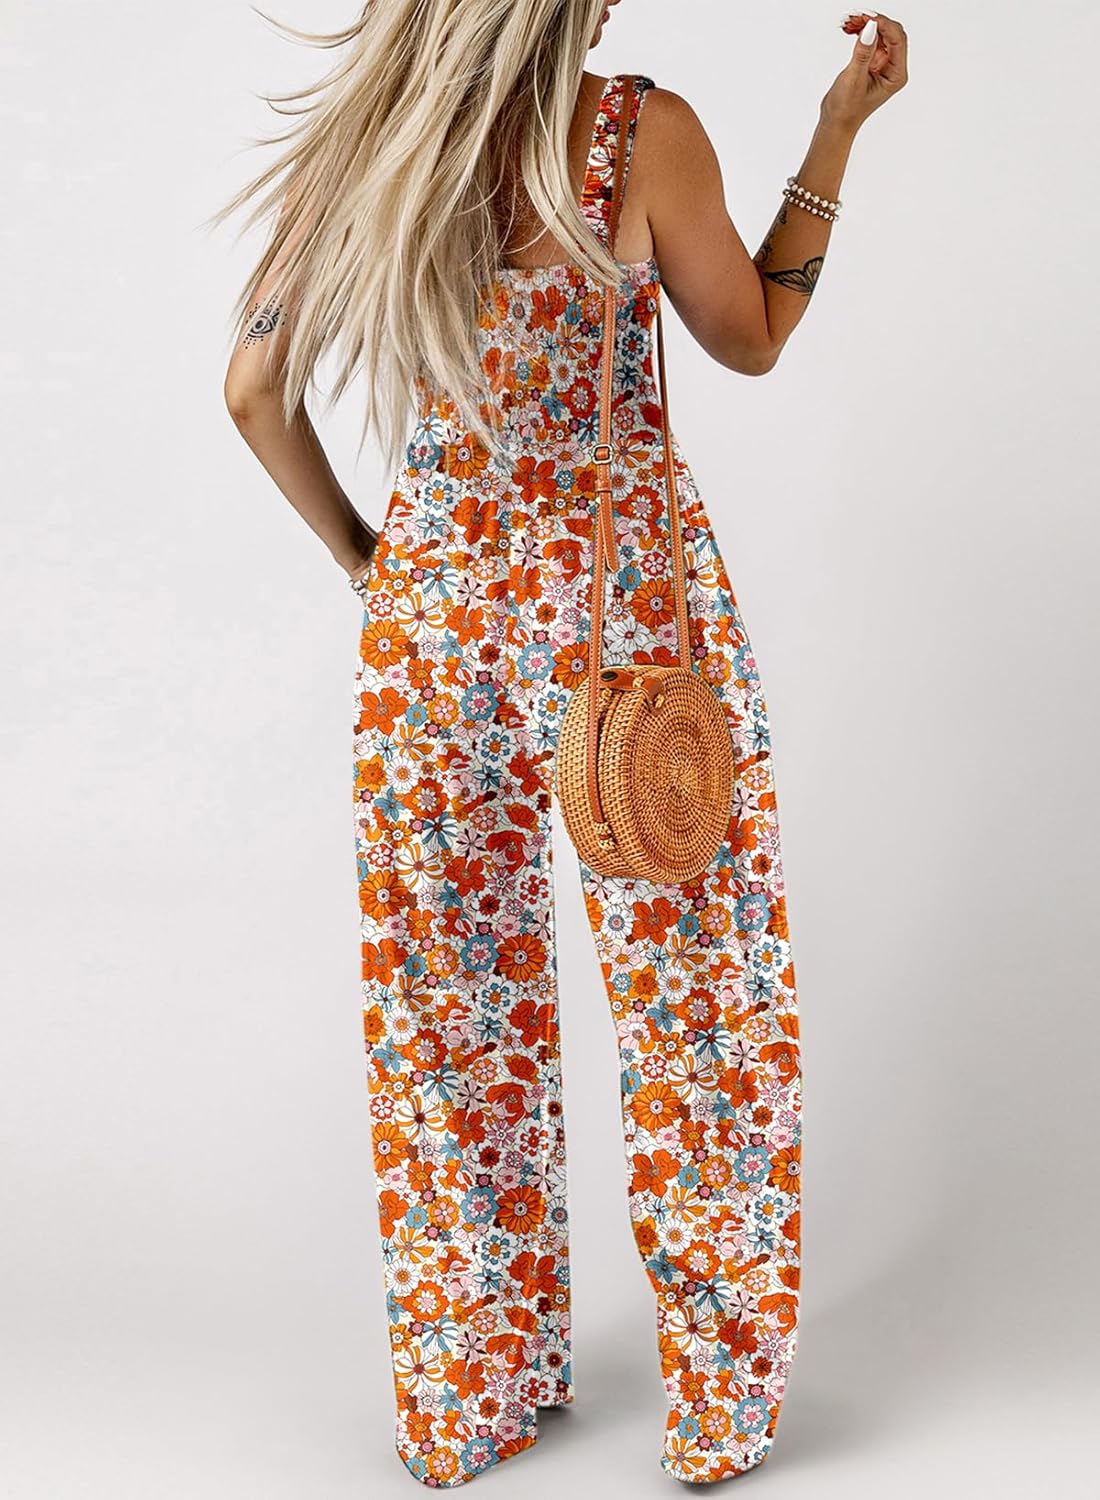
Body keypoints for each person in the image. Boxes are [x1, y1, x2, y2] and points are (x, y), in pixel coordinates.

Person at [218, 1, 908, 1486]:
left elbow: (252, 393)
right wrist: (838, 130)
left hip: (433, 634)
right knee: (703, 1010)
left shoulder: (365, 145)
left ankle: (469, 1400)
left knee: (445, 1023)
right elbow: (753, 335)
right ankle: (719, 1412)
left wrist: (372, 565)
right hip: (620, 624)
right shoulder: (635, 134)